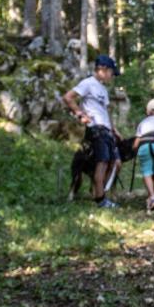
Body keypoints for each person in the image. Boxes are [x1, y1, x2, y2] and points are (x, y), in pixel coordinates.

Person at [63, 54, 121, 208]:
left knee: (115, 162)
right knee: (101, 162)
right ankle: (100, 199)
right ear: (102, 69)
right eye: (111, 72)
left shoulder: (103, 88)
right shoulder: (87, 83)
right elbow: (68, 97)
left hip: (106, 130)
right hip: (95, 129)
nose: (112, 76)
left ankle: (99, 193)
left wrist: (114, 128)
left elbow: (106, 111)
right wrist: (81, 114)